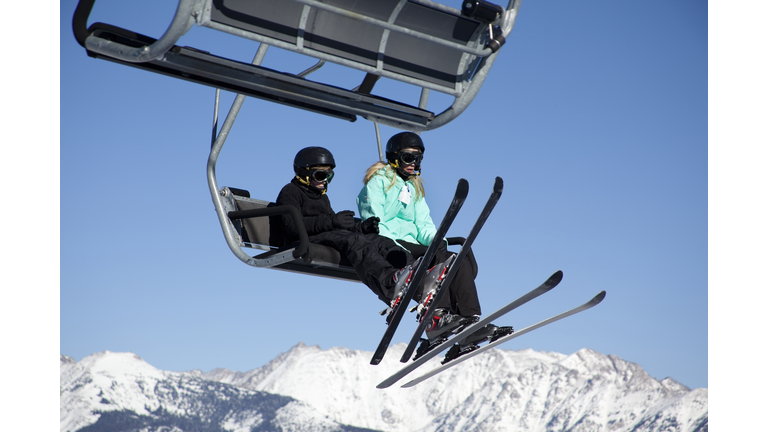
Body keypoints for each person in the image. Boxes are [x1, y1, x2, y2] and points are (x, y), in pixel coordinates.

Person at [357, 132, 513, 351]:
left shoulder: (414, 188)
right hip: (389, 242)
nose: (414, 164)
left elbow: (423, 223)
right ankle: (437, 317)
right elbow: (374, 220)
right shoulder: (377, 183)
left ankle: (468, 320)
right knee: (425, 264)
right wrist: (398, 245)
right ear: (394, 157)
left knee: (452, 260)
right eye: (408, 158)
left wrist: (436, 240)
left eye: (418, 158)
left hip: (413, 243)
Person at [276, 146, 419, 312]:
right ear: (305, 174)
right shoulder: (290, 191)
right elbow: (292, 226)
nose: (325, 181)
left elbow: (335, 225)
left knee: (378, 240)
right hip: (303, 239)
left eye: (329, 176)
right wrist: (332, 222)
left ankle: (412, 271)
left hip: (325, 236)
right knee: (355, 241)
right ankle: (390, 284)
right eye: (320, 175)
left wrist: (362, 227)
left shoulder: (322, 197)